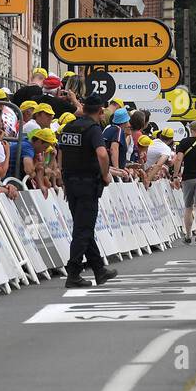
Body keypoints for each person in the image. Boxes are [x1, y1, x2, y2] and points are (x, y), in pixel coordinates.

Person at [57, 95, 117, 288]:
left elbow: (61, 153)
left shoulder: (69, 127)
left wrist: (63, 179)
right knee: (83, 229)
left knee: (83, 226)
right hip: (87, 183)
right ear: (100, 112)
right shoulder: (93, 129)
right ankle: (73, 273)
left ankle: (99, 270)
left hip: (71, 182)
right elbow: (101, 153)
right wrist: (106, 174)